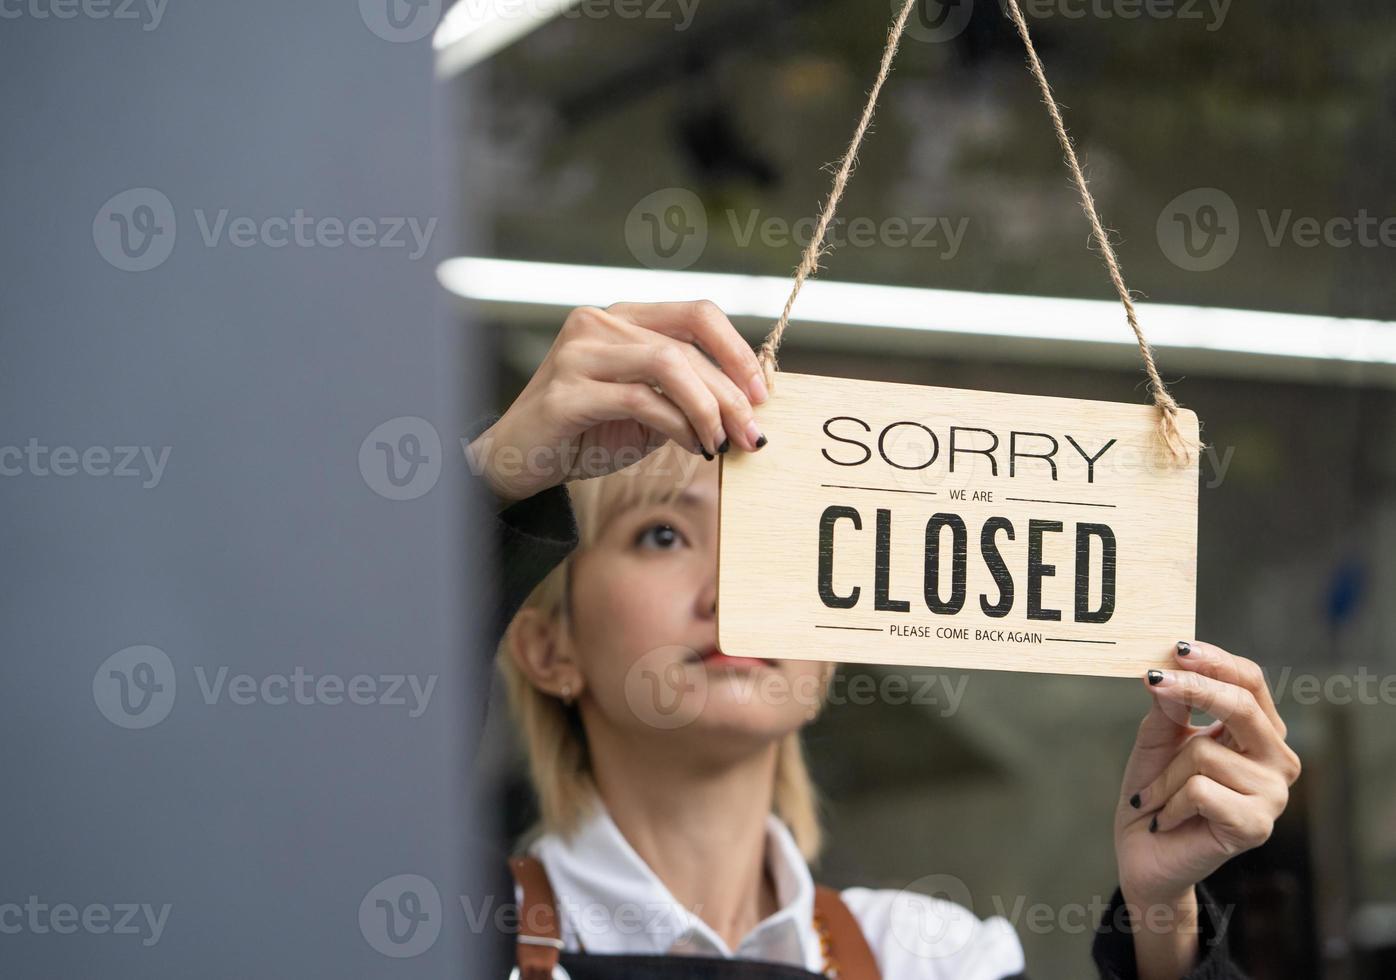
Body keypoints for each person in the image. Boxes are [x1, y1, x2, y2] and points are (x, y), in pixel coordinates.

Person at [466, 300, 1301, 980]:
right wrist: (490, 483)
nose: (734, 590)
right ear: (547, 650)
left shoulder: (935, 957)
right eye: (661, 536)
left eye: (776, 541)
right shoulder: (451, 937)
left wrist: (1163, 923)